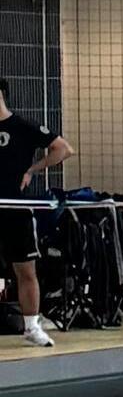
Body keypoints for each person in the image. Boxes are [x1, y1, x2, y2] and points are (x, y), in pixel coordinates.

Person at [0, 69, 67, 345]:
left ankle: (31, 327)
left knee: (25, 270)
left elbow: (63, 149)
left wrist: (32, 169)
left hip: (16, 211)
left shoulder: (24, 128)